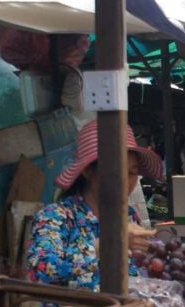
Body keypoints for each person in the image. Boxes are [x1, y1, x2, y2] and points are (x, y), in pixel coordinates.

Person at [26, 121, 162, 291]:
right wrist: (109, 244)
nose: (126, 181)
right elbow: (39, 271)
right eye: (116, 172)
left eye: (132, 173)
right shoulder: (56, 216)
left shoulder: (129, 215)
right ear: (88, 171)